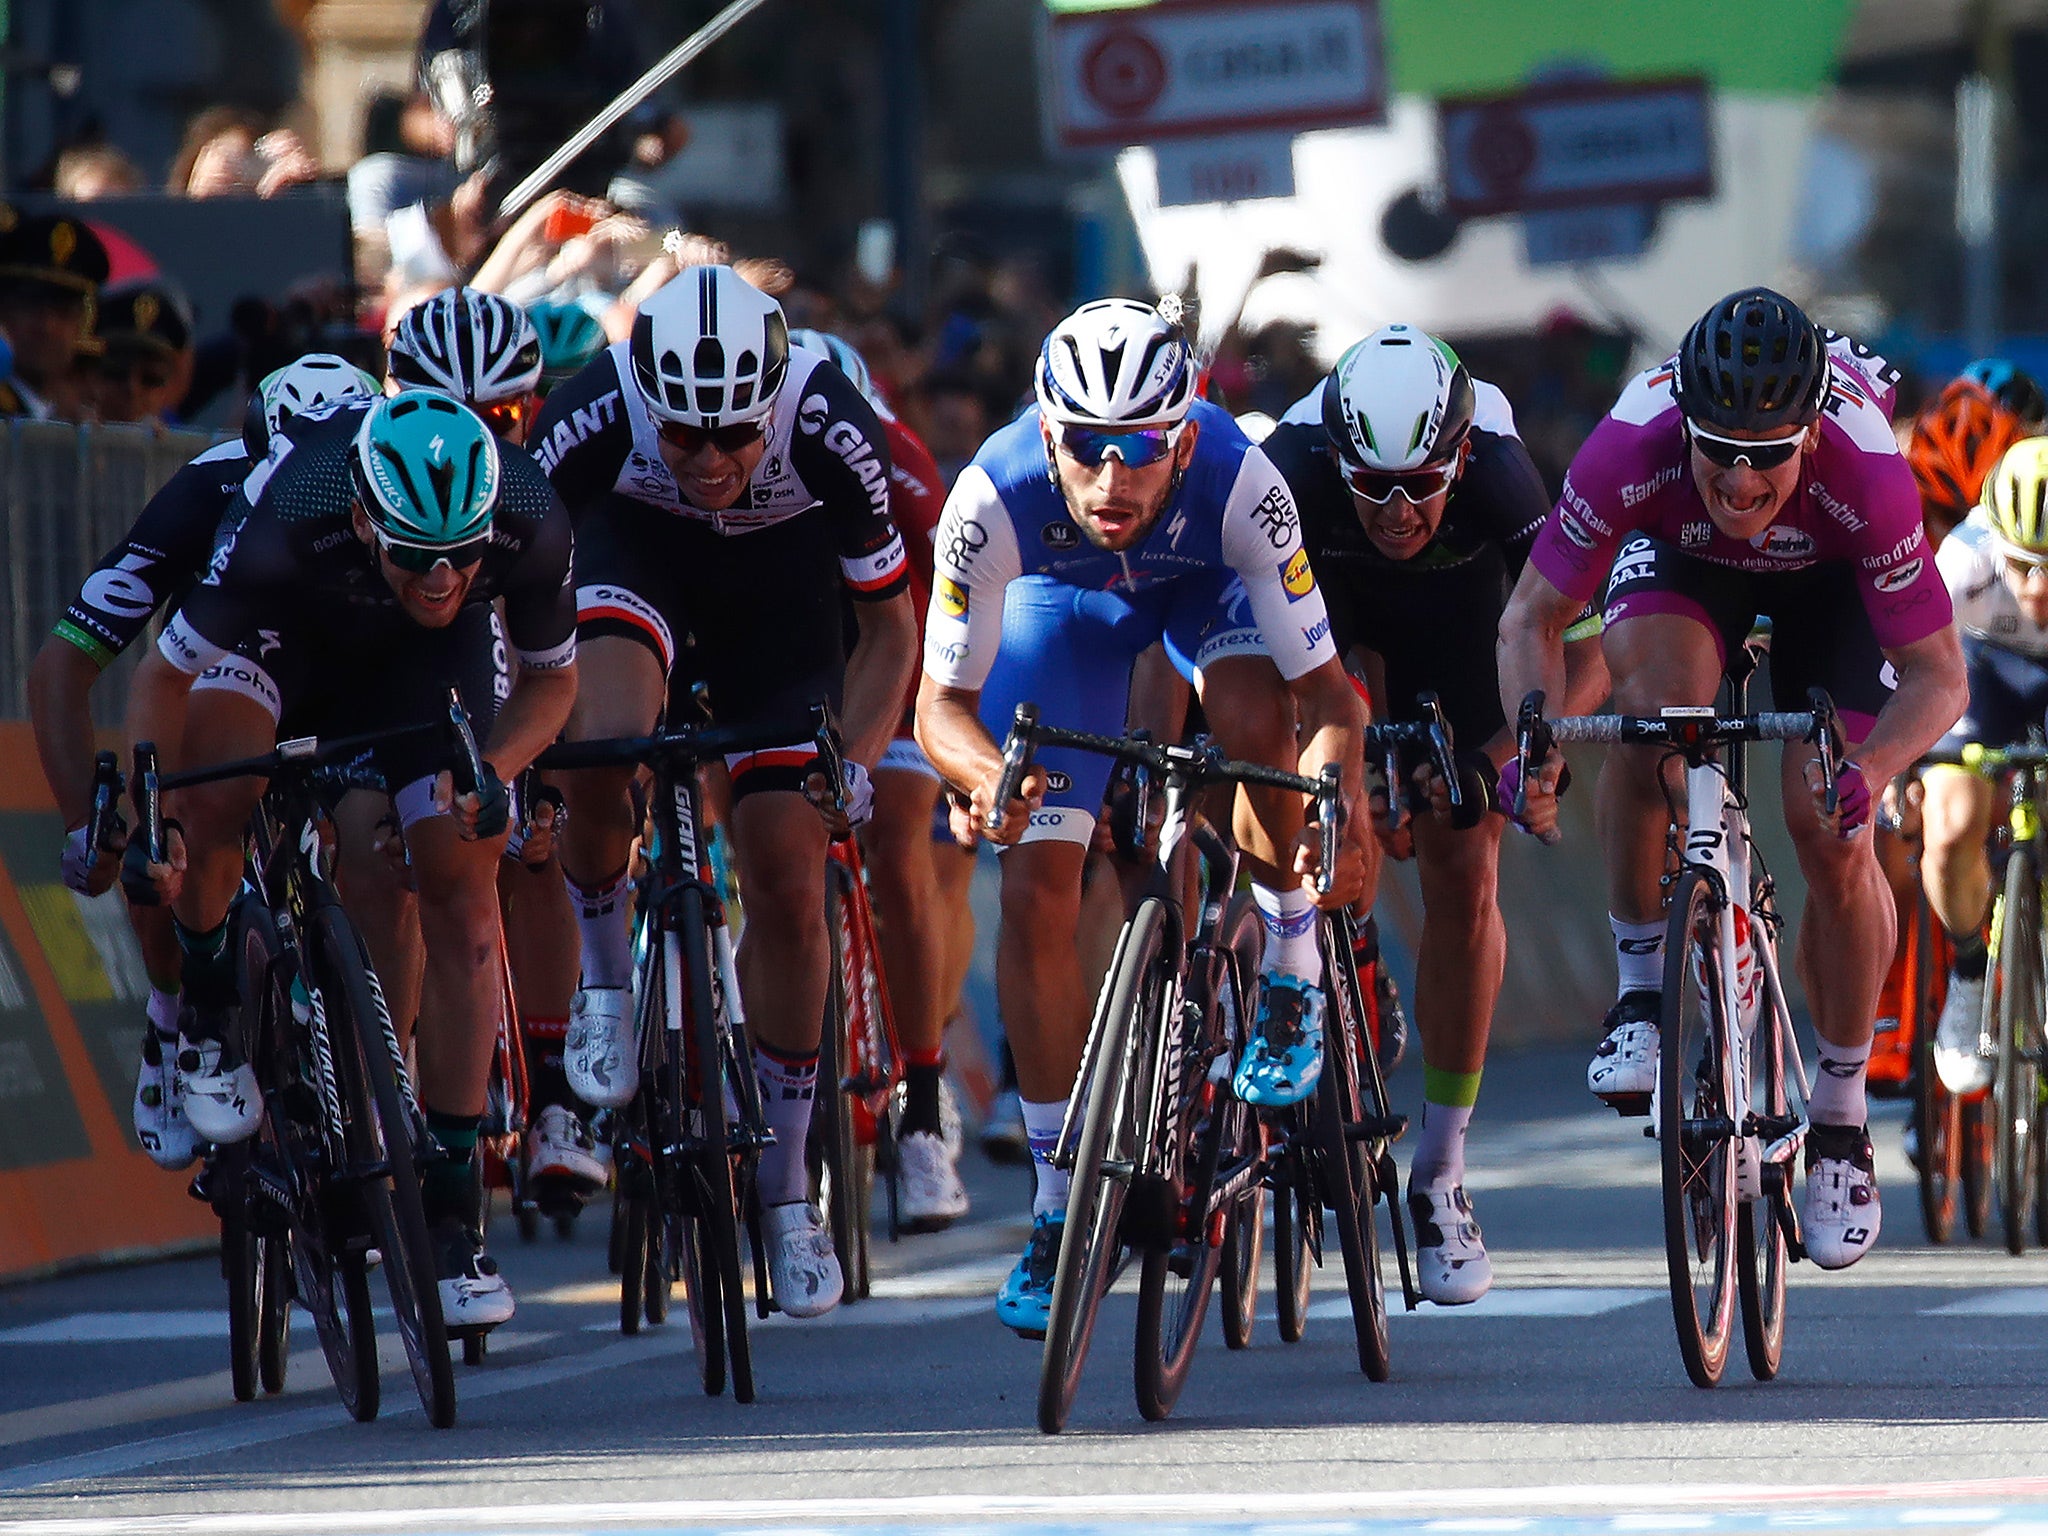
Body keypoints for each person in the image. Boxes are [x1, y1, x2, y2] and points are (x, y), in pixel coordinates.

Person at [914, 297, 1370, 1336]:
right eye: (1083, 448)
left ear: (1184, 433)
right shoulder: (988, 499)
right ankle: (1054, 1202)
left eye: (1139, 450)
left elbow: (1331, 697)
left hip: (1206, 590)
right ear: (1045, 433)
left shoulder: (1241, 485)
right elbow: (937, 711)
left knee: (1257, 714)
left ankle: (1288, 967)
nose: (1110, 479)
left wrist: (1334, 789)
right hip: (1060, 608)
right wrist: (988, 779)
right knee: (1034, 880)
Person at [1498, 287, 1966, 1271]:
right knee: (1651, 721)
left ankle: (1837, 1116)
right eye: (1718, 449)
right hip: (1680, 561)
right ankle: (1638, 993)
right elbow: (1531, 619)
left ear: (1807, 433)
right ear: (1685, 425)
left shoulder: (1866, 471)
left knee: (1825, 824)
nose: (1740, 478)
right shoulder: (1633, 442)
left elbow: (1936, 676)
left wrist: (1872, 771)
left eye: (1765, 455)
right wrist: (1529, 740)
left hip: (1828, 588)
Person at [124, 389, 578, 1327]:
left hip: (421, 671)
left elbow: (552, 679)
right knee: (213, 796)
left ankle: (453, 1212)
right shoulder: (287, 514)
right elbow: (165, 675)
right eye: (419, 553)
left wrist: (494, 771)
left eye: (464, 553)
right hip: (279, 640)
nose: (445, 574)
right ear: (368, 516)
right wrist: (151, 813)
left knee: (460, 881)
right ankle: (209, 1008)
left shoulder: (528, 517)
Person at [532, 263, 919, 1319]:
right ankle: (606, 984)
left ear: (775, 398)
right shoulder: (595, 407)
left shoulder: (832, 424)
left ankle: (787, 1192)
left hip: (780, 604)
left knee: (792, 886)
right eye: (685, 438)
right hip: (633, 559)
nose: (710, 459)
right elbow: (507, 596)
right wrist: (519, 746)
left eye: (734, 435)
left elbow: (888, 631)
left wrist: (858, 754)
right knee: (604, 744)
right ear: (646, 401)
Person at [1260, 323, 1606, 1304]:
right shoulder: (1285, 469)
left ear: (1457, 454)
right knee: (1300, 803)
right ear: (1337, 458)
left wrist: (1505, 763)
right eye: (1372, 484)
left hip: (1463, 625)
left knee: (1464, 863)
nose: (1398, 508)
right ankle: (1315, 967)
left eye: (1420, 481)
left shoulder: (1502, 476)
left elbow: (1584, 651)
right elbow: (1249, 660)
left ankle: (1442, 1172)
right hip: (1325, 618)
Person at [28, 353, 381, 1168]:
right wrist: (91, 825)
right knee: (163, 832)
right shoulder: (204, 493)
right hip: (228, 660)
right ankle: (172, 1017)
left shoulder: (387, 486)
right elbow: (62, 665)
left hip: (344, 666)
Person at [791, 326, 969, 1229]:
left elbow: (945, 632)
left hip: (896, 655)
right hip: (791, 652)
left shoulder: (901, 468)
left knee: (899, 842)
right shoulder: (751, 447)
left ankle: (926, 1111)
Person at [1920, 439, 2048, 1094]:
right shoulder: (1962, 560)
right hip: (1983, 668)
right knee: (1950, 824)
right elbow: (1910, 670)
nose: (2040, 588)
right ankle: (1969, 977)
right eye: (2024, 565)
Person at [0, 210, 109, 419]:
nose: (47, 326)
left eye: (63, 312)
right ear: (4, 312)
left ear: (83, 323)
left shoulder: (73, 417)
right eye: (31, 306)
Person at [93, 280, 196, 426]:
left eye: (150, 378)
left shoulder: (188, 446)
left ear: (168, 386)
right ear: (89, 376)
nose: (132, 389)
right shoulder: (58, 427)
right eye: (116, 372)